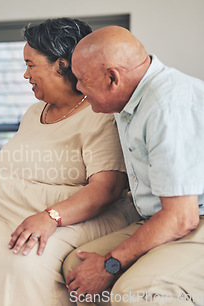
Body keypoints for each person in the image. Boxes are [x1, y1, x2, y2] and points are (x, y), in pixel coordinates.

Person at [0, 18, 140, 306]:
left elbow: (106, 188)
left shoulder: (99, 112)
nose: (25, 75)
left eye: (31, 64)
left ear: (62, 65)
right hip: (7, 218)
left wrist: (50, 217)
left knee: (25, 262)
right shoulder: (33, 112)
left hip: (71, 218)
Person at [63, 26, 204, 305]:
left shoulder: (168, 105)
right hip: (163, 218)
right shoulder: (129, 97)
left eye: (82, 80)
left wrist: (109, 265)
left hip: (193, 219)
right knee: (75, 270)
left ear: (112, 78)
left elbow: (181, 217)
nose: (77, 88)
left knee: (133, 292)